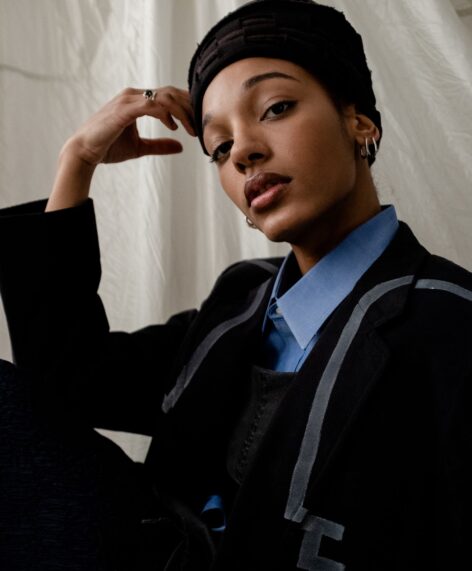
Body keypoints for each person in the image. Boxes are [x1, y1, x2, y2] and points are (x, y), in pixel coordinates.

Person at [0, 0, 471, 569]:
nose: (243, 152)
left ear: (359, 120)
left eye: (275, 107)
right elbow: (67, 382)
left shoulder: (450, 321)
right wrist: (76, 161)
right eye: (219, 148)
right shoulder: (241, 301)